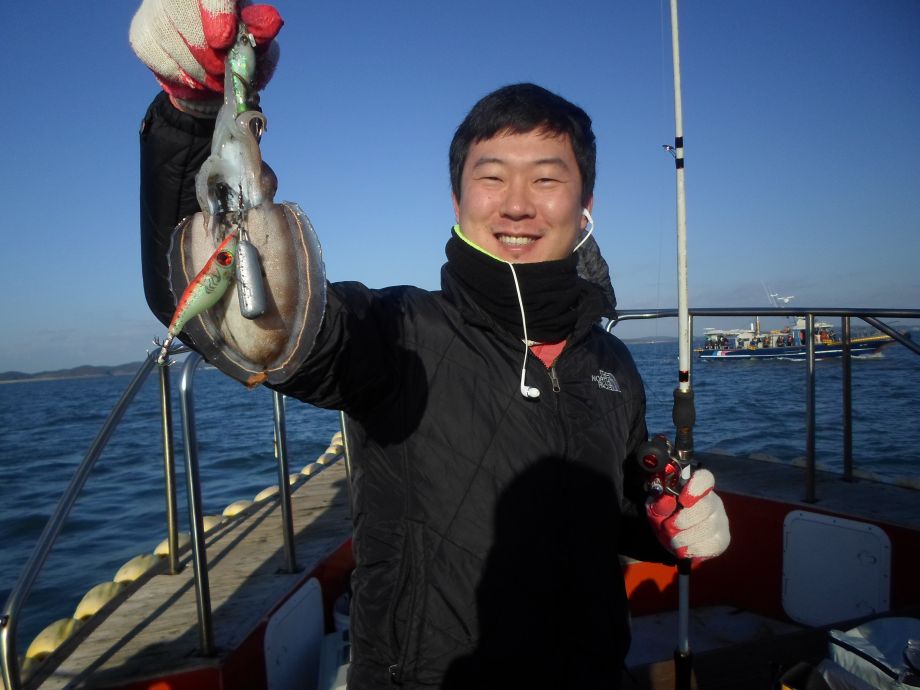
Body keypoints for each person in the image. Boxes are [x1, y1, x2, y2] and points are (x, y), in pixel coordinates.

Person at [131, 3, 730, 688]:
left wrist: (663, 526)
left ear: (586, 203)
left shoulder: (612, 365)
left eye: (546, 178)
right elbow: (219, 308)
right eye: (491, 176)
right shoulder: (396, 333)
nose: (516, 203)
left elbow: (615, 508)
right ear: (456, 201)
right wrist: (191, 113)